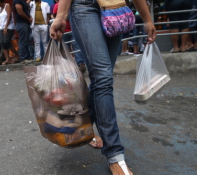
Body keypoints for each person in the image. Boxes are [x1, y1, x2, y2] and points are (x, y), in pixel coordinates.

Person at [50, 0, 156, 174]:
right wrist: (61, 15)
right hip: (84, 7)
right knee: (103, 77)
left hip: (115, 5)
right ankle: (115, 154)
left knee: (102, 80)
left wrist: (147, 18)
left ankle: (81, 128)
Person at [52, 2, 86, 73]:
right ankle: (80, 64)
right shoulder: (70, 4)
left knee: (65, 48)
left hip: (64, 30)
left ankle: (67, 66)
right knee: (76, 47)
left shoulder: (58, 5)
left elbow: (55, 16)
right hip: (71, 29)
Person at [0, 0, 19, 65]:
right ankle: (7, 59)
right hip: (1, 28)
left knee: (6, 41)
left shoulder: (7, 5)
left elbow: (9, 16)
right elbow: (1, 20)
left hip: (8, 27)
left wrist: (6, 27)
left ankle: (16, 55)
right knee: (2, 42)